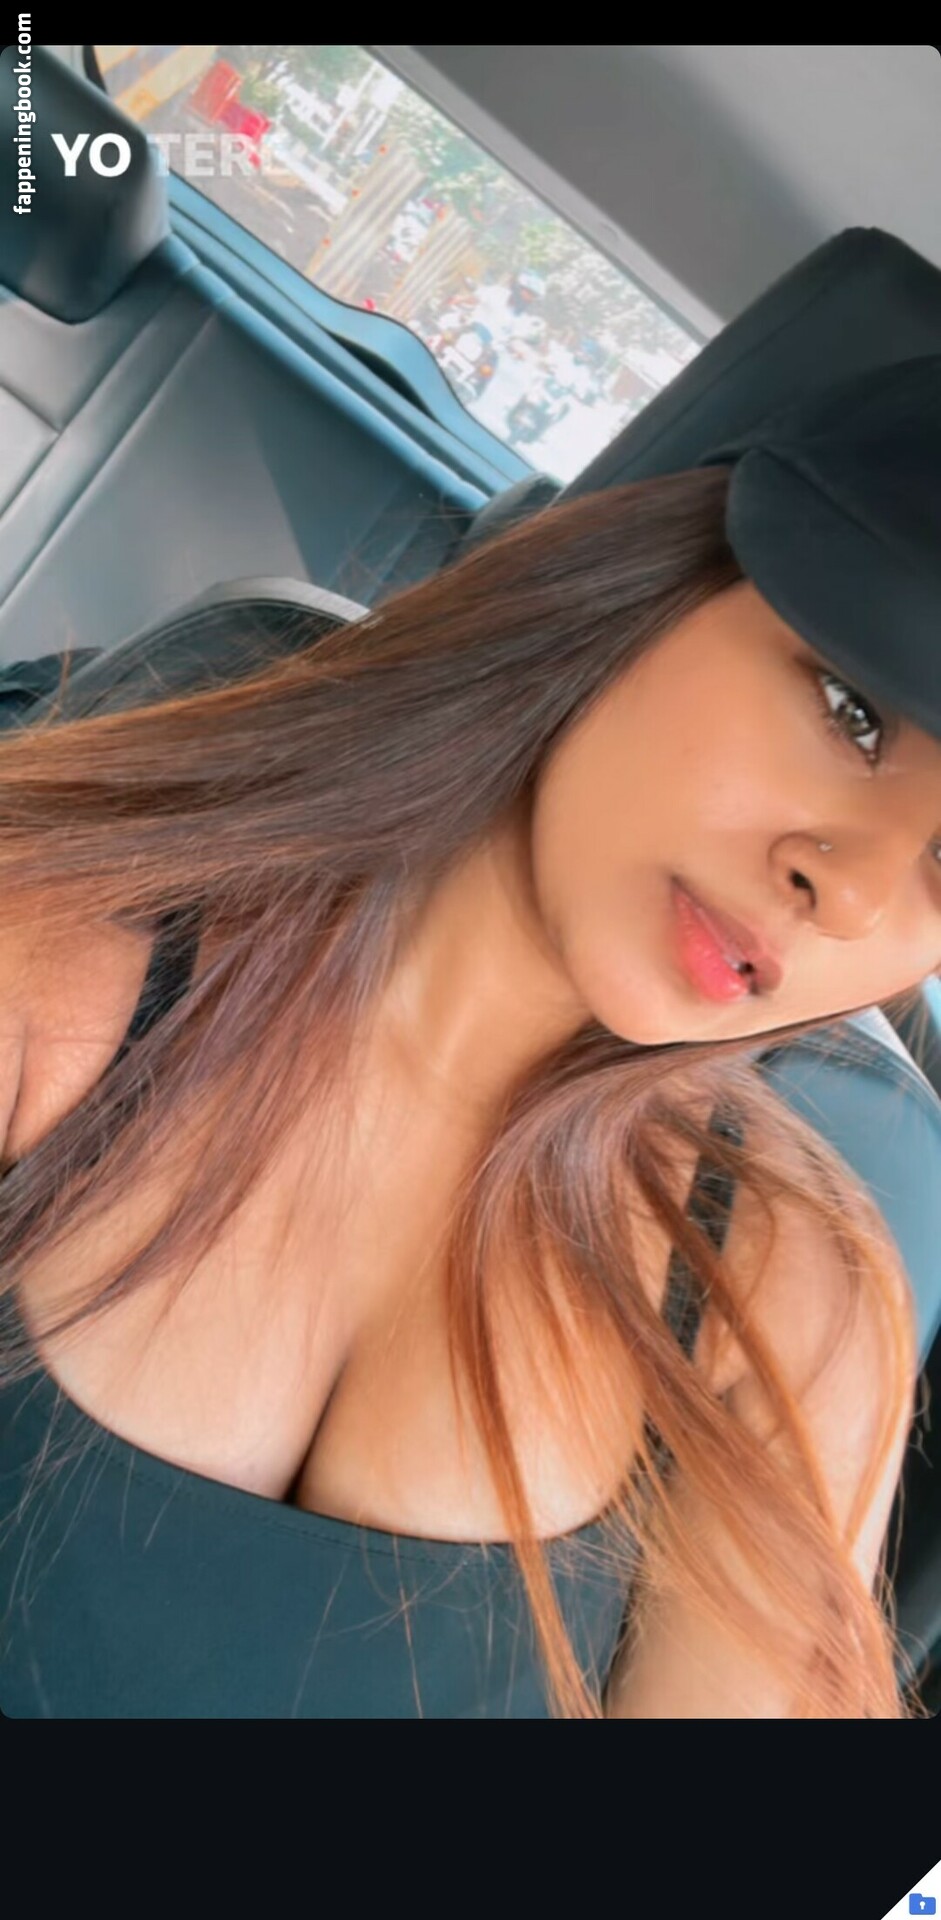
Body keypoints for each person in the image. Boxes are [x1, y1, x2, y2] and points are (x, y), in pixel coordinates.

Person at [0, 357, 939, 1719]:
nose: (844, 893)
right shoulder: (46, 954)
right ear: (649, 581)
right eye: (852, 713)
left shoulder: (802, 1292)